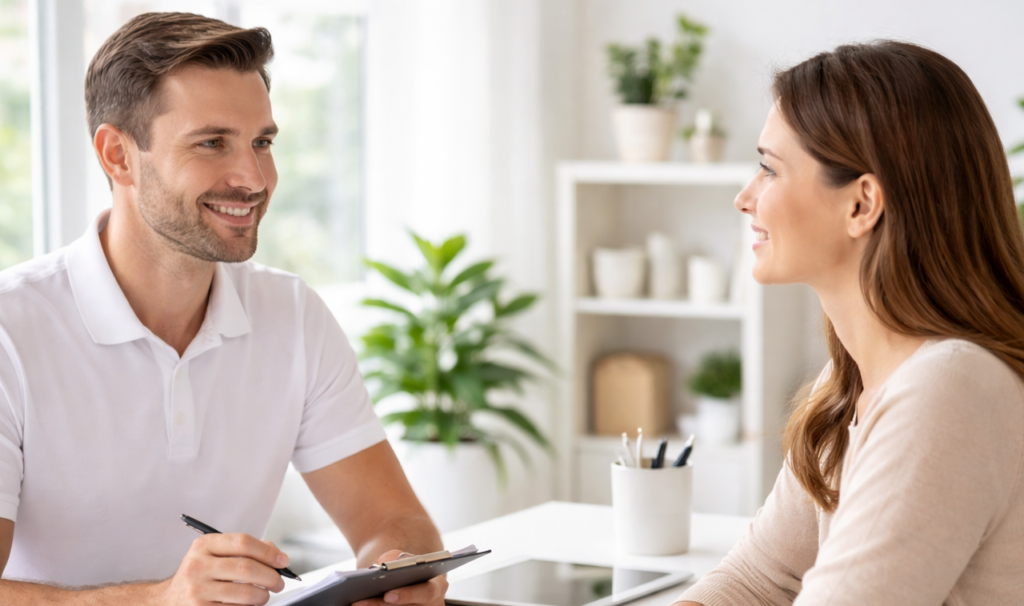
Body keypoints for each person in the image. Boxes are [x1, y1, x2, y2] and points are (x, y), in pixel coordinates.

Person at [0, 12, 447, 606]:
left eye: (262, 142)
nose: (254, 178)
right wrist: (159, 599)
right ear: (117, 155)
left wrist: (399, 574)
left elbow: (394, 522)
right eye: (212, 143)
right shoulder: (11, 330)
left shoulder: (292, 314)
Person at [674, 41, 1024, 606]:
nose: (745, 198)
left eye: (769, 169)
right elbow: (760, 578)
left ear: (862, 205)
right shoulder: (850, 382)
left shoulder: (949, 389)